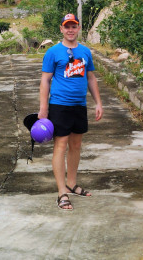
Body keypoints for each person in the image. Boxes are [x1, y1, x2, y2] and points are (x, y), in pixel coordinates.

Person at [39, 13, 103, 210]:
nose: (70, 30)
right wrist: (43, 108)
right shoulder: (53, 52)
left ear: (78, 28)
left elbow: (90, 78)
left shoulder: (85, 52)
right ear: (61, 29)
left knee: (76, 145)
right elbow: (45, 80)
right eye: (67, 26)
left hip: (79, 105)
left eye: (73, 26)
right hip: (59, 105)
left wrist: (98, 103)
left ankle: (71, 184)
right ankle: (61, 192)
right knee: (61, 145)